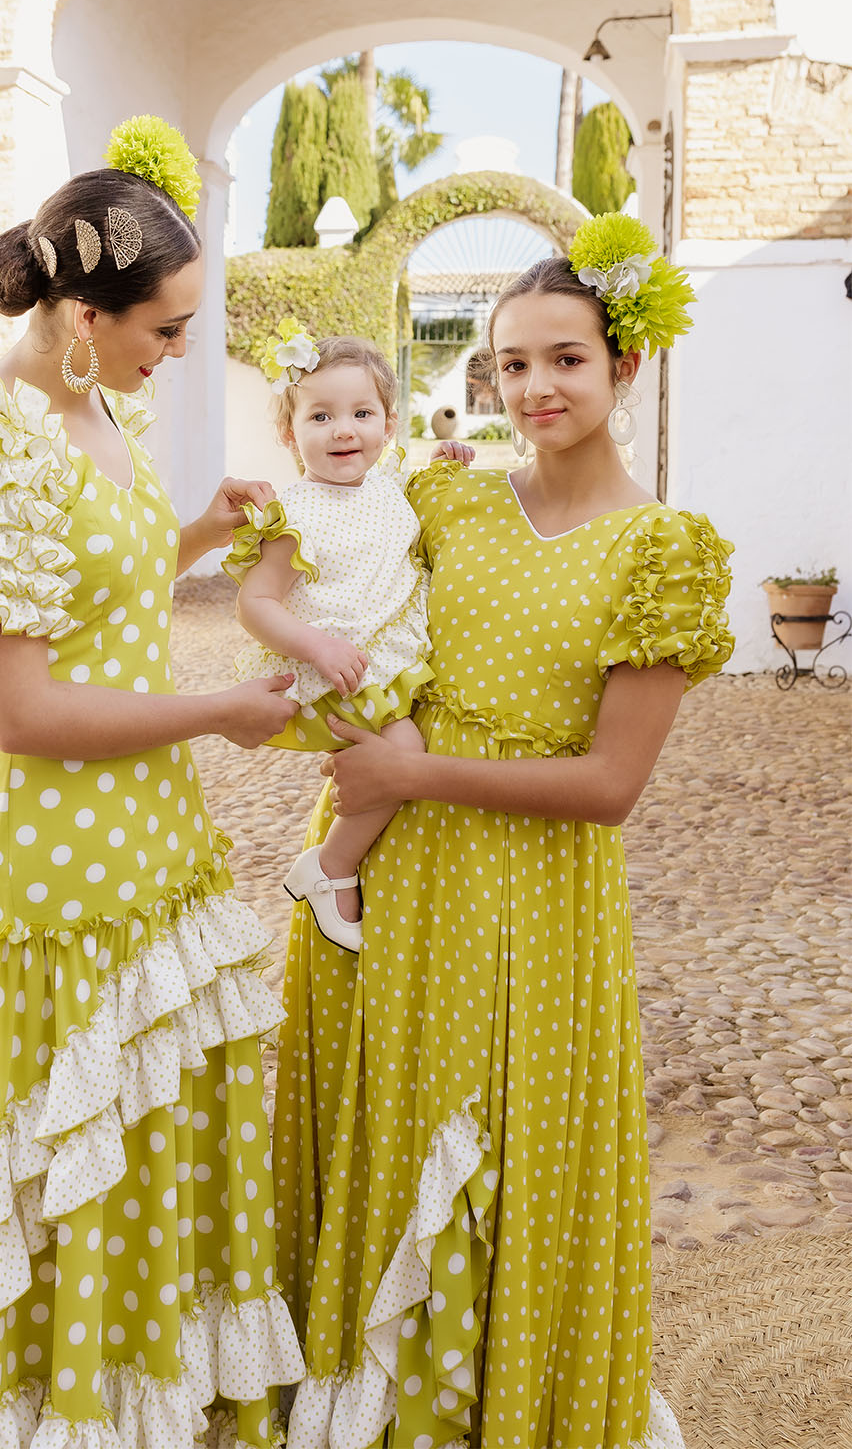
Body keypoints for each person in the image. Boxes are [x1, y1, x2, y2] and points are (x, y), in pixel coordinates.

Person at [0, 117, 305, 1449]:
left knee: (148, 1134)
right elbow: (26, 710)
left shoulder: (96, 402)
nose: (179, 351)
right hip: (48, 855)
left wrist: (197, 534)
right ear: (83, 315)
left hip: (147, 832)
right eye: (165, 328)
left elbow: (86, 593)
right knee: (63, 1158)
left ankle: (147, 1397)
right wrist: (219, 711)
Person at [274, 214, 734, 1449]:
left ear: (625, 363)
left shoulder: (663, 553)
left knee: (499, 1145)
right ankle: (371, 1408)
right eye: (512, 363)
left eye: (565, 359)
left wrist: (414, 770)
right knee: (383, 1132)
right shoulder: (447, 502)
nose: (535, 388)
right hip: (387, 870)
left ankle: (501, 1405)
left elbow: (611, 784)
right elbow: (325, 562)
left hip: (536, 892)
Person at [223, 324, 470, 954]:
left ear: (389, 425)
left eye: (362, 414)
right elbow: (255, 604)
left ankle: (344, 859)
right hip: (339, 670)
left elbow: (402, 515)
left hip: (383, 660)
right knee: (406, 749)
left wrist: (444, 465)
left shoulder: (387, 488)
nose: (343, 431)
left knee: (402, 753)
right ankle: (331, 866)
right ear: (289, 433)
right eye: (321, 416)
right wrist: (317, 646)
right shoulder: (296, 515)